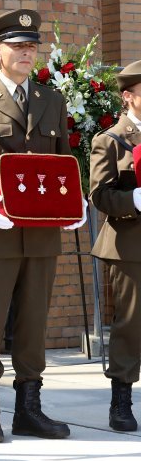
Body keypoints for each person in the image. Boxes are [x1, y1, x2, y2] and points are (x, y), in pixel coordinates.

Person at [0, 8, 87, 444]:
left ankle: (29, 408)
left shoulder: (51, 101)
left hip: (42, 231)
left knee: (33, 322)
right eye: (18, 46)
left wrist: (73, 199)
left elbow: (61, 161)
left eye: (32, 46)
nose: (28, 53)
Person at [89, 59, 141, 432]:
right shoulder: (109, 140)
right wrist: (136, 198)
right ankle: (121, 399)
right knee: (131, 324)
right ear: (128, 97)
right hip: (129, 245)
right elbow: (100, 196)